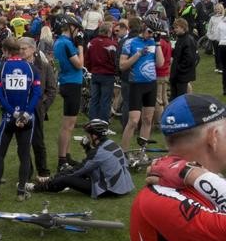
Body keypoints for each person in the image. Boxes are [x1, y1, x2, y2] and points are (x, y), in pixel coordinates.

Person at [131, 94, 226, 241]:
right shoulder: (158, 198)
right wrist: (197, 176)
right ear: (214, 137)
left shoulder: (201, 183)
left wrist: (194, 175)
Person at [0, 38, 41, 203]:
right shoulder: (31, 69)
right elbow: (36, 93)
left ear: (6, 51)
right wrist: (26, 113)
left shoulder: (0, 69)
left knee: (0, 155)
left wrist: (13, 113)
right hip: (27, 118)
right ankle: (21, 192)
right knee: (24, 155)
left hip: (9, 118)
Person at [30, 119, 134, 198]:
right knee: (77, 169)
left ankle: (38, 187)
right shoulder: (113, 144)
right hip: (125, 186)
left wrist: (54, 178)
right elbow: (93, 163)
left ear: (94, 136)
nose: (87, 137)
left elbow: (78, 171)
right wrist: (88, 148)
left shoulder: (98, 152)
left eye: (88, 134)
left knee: (67, 178)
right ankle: (50, 182)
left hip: (110, 190)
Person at [119, 14, 165, 151]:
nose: (151, 35)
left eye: (154, 33)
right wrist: (138, 54)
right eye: (150, 32)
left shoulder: (153, 42)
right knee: (133, 121)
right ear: (143, 27)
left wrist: (157, 44)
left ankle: (142, 151)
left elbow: (160, 63)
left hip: (150, 84)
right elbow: (122, 66)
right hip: (136, 84)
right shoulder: (130, 42)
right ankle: (124, 152)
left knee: (147, 119)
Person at [19, 37, 57, 182]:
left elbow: (52, 89)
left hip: (36, 110)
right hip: (20, 109)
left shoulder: (44, 66)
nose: (21, 51)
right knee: (22, 143)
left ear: (33, 49)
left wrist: (42, 107)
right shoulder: (17, 66)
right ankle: (26, 172)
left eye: (24, 48)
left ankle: (43, 171)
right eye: (20, 49)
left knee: (38, 141)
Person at [53, 14, 84, 171]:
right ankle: (62, 159)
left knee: (68, 125)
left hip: (65, 81)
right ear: (71, 28)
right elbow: (79, 64)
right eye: (77, 29)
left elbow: (58, 65)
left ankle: (67, 155)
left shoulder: (58, 42)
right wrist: (81, 47)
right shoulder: (67, 44)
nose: (78, 33)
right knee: (68, 125)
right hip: (72, 83)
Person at [85, 22, 117, 122]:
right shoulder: (111, 45)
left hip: (95, 73)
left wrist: (91, 69)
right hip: (107, 75)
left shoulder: (91, 43)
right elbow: (114, 60)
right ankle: (103, 123)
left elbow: (87, 59)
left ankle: (93, 121)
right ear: (109, 31)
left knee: (94, 99)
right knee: (105, 100)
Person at [169, 18, 198, 100]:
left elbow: (189, 59)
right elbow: (177, 54)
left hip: (182, 76)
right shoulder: (180, 39)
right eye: (174, 28)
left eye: (176, 28)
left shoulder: (188, 40)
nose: (175, 30)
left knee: (180, 98)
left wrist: (179, 69)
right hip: (177, 75)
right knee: (175, 97)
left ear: (183, 27)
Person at [206, 2, 224, 73]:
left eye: (219, 9)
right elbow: (209, 28)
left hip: (222, 39)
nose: (217, 10)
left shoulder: (224, 18)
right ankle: (217, 66)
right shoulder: (212, 18)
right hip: (214, 39)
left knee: (221, 53)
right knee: (216, 53)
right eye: (216, 9)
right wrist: (210, 36)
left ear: (221, 9)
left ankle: (221, 67)